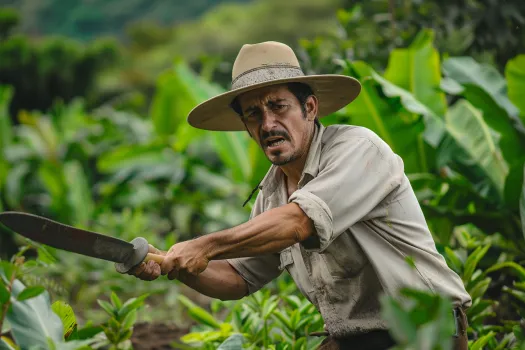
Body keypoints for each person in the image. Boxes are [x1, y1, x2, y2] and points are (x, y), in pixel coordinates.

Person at [123, 41, 471, 350]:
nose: (268, 124)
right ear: (245, 126)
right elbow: (240, 277)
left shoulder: (358, 150)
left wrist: (204, 246)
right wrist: (174, 264)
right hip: (357, 339)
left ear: (310, 108)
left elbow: (299, 221)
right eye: (253, 114)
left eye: (278, 107)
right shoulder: (271, 194)